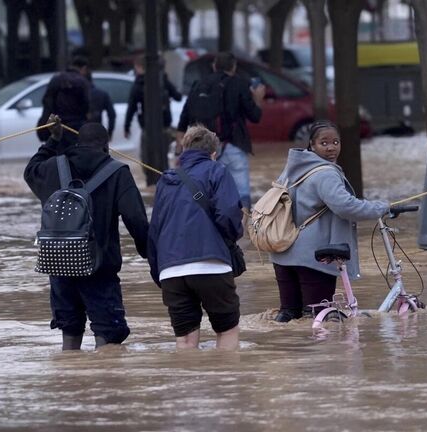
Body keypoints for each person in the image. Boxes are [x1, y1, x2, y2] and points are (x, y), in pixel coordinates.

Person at [23, 115, 149, 350]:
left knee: (70, 330)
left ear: (78, 142)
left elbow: (30, 171)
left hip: (60, 265)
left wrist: (53, 140)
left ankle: (71, 381)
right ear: (106, 146)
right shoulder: (118, 172)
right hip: (99, 268)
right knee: (109, 335)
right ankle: (102, 382)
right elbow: (136, 219)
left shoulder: (53, 166)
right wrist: (151, 255)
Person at [269, 120, 390, 322]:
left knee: (289, 318)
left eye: (336, 142)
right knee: (319, 319)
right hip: (314, 258)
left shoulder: (291, 170)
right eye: (324, 143)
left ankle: (284, 353)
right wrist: (382, 207)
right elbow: (346, 207)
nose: (331, 147)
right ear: (312, 145)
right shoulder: (326, 173)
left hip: (282, 255)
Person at [147, 125, 244, 350]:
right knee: (227, 330)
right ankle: (229, 384)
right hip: (212, 266)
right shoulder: (217, 171)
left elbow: (154, 231)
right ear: (213, 153)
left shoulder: (165, 180)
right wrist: (231, 240)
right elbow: (228, 215)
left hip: (171, 271)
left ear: (183, 150)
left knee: (186, 341)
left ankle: (188, 383)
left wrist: (158, 272)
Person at [177, 52, 265, 211]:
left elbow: (184, 119)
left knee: (204, 190)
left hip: (201, 148)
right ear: (234, 66)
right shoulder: (239, 84)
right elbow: (255, 116)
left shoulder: (198, 84)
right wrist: (258, 99)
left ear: (214, 66)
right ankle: (242, 231)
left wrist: (180, 149)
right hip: (232, 144)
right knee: (241, 192)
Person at [124, 55, 182, 185]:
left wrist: (126, 126)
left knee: (147, 158)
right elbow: (178, 96)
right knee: (163, 158)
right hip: (164, 126)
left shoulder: (139, 84)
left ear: (140, 67)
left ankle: (153, 182)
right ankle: (165, 183)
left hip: (148, 128)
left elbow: (132, 106)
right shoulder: (163, 81)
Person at [35, 56, 91, 156]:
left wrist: (44, 126)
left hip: (57, 127)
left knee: (58, 159)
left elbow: (47, 104)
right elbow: (86, 106)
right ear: (84, 68)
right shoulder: (83, 82)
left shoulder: (56, 79)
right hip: (76, 128)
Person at [85, 70, 116, 140]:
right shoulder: (102, 94)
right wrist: (109, 132)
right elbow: (112, 115)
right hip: (97, 132)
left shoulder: (75, 95)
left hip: (78, 132)